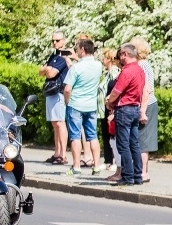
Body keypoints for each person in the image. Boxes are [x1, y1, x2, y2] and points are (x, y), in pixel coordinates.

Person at [105, 43, 146, 186]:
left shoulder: (127, 71)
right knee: (134, 143)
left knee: (123, 145)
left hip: (124, 109)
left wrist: (109, 101)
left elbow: (117, 91)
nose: (119, 57)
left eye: (121, 54)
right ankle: (138, 175)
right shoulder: (140, 70)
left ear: (126, 55)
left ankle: (127, 176)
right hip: (135, 108)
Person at [62, 38, 103, 177]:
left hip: (76, 104)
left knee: (75, 136)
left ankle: (77, 166)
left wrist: (66, 102)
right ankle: (96, 166)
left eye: (77, 48)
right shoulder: (98, 66)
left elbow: (67, 89)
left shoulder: (76, 68)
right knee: (93, 136)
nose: (76, 51)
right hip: (91, 105)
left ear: (83, 50)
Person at [40, 31, 70, 165]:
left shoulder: (64, 56)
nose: (54, 43)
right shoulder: (53, 56)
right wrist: (46, 69)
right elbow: (41, 72)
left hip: (59, 92)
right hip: (51, 92)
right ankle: (57, 152)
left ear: (63, 41)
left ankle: (63, 154)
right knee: (54, 123)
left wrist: (47, 69)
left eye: (57, 41)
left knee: (60, 122)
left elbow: (51, 73)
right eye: (53, 41)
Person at [130, 36, 157, 183]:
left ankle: (143, 172)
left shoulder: (142, 65)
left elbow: (146, 90)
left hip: (146, 104)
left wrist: (142, 110)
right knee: (141, 139)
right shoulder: (143, 64)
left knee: (142, 140)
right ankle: (142, 171)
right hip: (145, 104)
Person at [97, 49, 120, 175]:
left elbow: (114, 88)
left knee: (111, 134)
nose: (102, 60)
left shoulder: (114, 72)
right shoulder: (107, 73)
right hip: (103, 108)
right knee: (106, 134)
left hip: (109, 107)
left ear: (109, 59)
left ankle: (115, 162)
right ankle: (108, 160)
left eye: (104, 58)